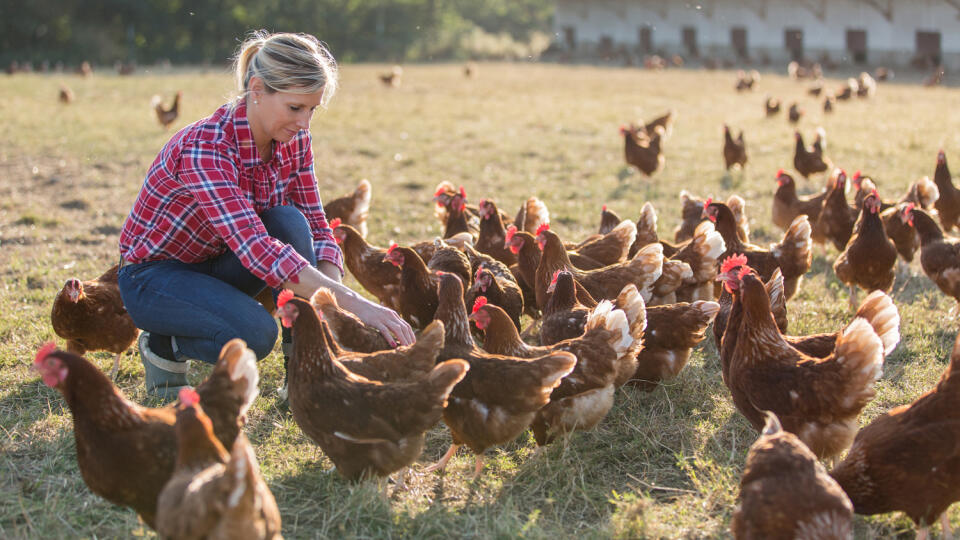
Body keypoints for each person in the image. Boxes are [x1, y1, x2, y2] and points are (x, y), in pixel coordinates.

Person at [118, 31, 414, 398]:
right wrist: (358, 305)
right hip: (154, 277)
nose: (305, 123)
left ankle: (305, 374)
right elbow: (257, 248)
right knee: (255, 334)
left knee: (289, 221)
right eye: (295, 108)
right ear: (256, 89)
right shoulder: (206, 148)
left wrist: (332, 306)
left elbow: (317, 229)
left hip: (219, 262)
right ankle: (164, 346)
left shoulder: (294, 140)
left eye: (312, 109)